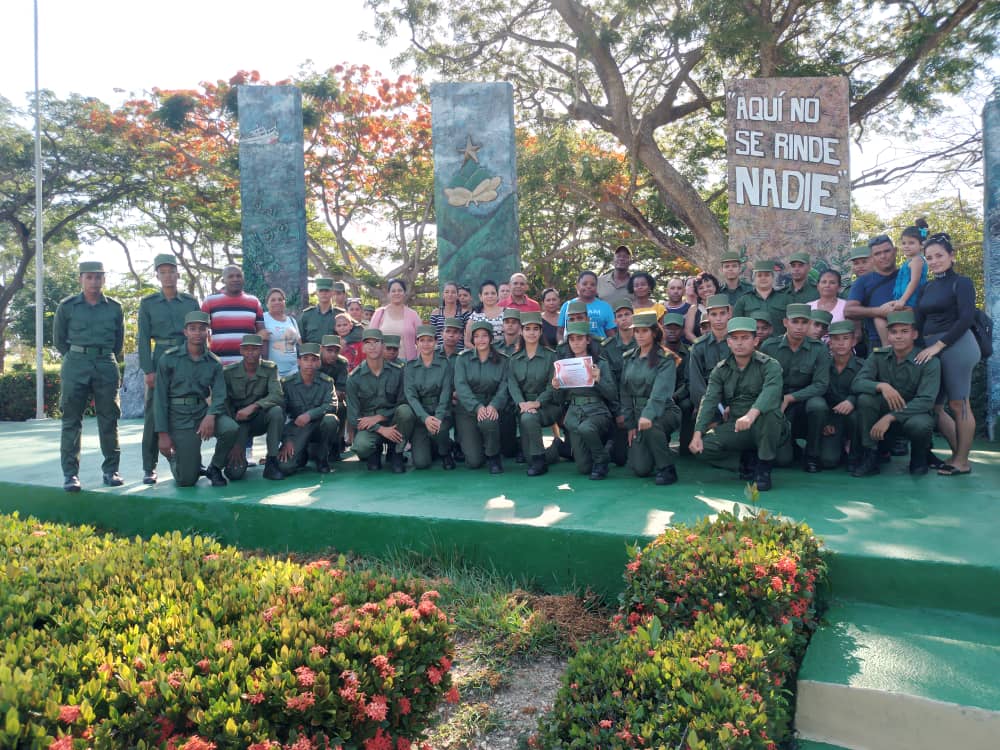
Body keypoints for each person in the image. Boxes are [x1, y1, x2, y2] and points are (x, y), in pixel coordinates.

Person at [689, 317, 786, 491]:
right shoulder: (721, 369)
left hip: (766, 424)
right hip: (737, 425)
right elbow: (709, 400)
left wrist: (751, 415)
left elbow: (770, 393)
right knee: (702, 448)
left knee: (771, 417)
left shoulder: (770, 365)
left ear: (755, 341)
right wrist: (697, 433)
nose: (739, 343)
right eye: (735, 338)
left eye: (745, 338)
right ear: (728, 342)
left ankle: (763, 468)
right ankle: (743, 460)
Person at [53, 260, 125, 491]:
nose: (94, 281)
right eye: (89, 277)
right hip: (75, 364)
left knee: (109, 419)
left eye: (98, 277)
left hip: (105, 363)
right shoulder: (67, 306)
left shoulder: (114, 307)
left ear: (104, 279)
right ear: (81, 279)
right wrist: (78, 356)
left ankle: (111, 471)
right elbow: (59, 340)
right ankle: (70, 475)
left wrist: (103, 357)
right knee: (71, 420)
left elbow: (118, 342)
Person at [914, 232, 978, 476]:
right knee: (935, 406)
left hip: (957, 345)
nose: (934, 261)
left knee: (958, 402)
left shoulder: (961, 282)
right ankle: (959, 454)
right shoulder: (928, 286)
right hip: (930, 349)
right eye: (929, 257)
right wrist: (920, 346)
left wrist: (939, 345)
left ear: (951, 256)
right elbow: (919, 321)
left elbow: (965, 318)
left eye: (939, 255)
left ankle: (962, 461)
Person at [154, 311, 239, 487]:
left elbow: (219, 394)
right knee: (187, 480)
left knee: (230, 428)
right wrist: (162, 434)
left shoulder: (213, 362)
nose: (197, 333)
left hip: (203, 412)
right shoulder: (169, 359)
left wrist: (211, 415)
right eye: (193, 329)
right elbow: (160, 398)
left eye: (202, 329)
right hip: (179, 417)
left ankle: (214, 467)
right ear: (185, 332)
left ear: (208, 332)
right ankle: (175, 458)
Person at [851, 311, 940, 477]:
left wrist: (890, 417)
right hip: (884, 412)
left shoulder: (929, 362)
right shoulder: (878, 356)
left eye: (904, 331)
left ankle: (920, 457)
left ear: (914, 334)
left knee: (920, 425)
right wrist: (882, 386)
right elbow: (857, 383)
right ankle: (871, 454)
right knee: (865, 399)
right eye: (893, 332)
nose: (898, 336)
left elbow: (926, 400)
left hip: (913, 414)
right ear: (888, 336)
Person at [137, 254, 200, 485]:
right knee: (154, 414)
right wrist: (148, 370)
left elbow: (200, 332)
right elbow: (143, 339)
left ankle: (194, 459)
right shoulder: (149, 303)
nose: (167, 276)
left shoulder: (190, 302)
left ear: (178, 274)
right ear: (157, 275)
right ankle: (149, 466)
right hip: (161, 358)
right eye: (162, 272)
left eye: (171, 271)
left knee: (191, 408)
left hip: (187, 357)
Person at [761, 304, 831, 473]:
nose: (799, 327)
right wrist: (779, 399)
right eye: (795, 322)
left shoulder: (819, 348)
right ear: (786, 322)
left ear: (809, 324)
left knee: (818, 406)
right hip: (778, 398)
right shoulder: (769, 347)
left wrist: (791, 398)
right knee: (783, 461)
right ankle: (791, 446)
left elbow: (821, 384)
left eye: (804, 322)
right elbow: (762, 381)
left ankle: (812, 455)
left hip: (805, 399)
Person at [620, 312, 682, 485]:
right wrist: (631, 423)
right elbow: (624, 392)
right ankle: (657, 445)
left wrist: (647, 415)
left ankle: (667, 468)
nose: (639, 335)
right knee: (641, 469)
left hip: (664, 411)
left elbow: (660, 393)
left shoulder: (666, 358)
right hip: (639, 415)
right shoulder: (629, 358)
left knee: (652, 425)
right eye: (637, 331)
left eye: (644, 331)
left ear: (654, 332)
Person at [552, 321, 618, 479]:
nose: (576, 343)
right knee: (583, 468)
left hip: (596, 411)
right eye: (572, 339)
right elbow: (559, 399)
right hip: (574, 415)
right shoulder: (564, 365)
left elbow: (612, 394)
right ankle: (606, 450)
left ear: (588, 340)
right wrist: (556, 386)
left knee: (586, 428)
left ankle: (602, 461)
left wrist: (598, 379)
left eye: (579, 338)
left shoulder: (599, 363)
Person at [346, 329, 415, 472]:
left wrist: (381, 417)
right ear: (363, 348)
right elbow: (353, 418)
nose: (372, 346)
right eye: (368, 343)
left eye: (376, 342)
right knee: (361, 447)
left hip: (393, 422)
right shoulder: (354, 378)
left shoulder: (398, 371)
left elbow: (405, 402)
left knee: (406, 411)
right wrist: (380, 429)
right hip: (370, 426)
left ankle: (396, 451)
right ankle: (374, 450)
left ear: (383, 346)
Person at [223, 334, 285, 481]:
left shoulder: (270, 369)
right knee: (234, 474)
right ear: (240, 351)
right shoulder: (228, 372)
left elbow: (277, 395)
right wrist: (236, 441)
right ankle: (237, 454)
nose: (250, 352)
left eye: (255, 349)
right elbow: (224, 403)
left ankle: (271, 461)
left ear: (261, 350)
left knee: (276, 411)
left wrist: (254, 406)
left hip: (259, 419)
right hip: (238, 423)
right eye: (246, 349)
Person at [453, 320, 511, 473]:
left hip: (492, 405)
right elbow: (461, 386)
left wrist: (494, 405)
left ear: (491, 338)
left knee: (488, 419)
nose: (481, 340)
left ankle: (493, 455)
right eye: (477, 336)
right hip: (467, 409)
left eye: (484, 336)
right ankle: (479, 446)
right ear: (472, 340)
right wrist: (477, 407)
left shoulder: (503, 360)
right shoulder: (462, 359)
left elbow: (505, 386)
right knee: (474, 461)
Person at [507, 311, 560, 476]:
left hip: (547, 406)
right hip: (523, 407)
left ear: (541, 331)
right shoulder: (514, 358)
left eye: (535, 329)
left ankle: (540, 461)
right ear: (521, 331)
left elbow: (553, 386)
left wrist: (537, 403)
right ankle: (555, 449)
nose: (531, 332)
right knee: (527, 455)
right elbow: (512, 384)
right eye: (527, 328)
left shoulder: (551, 356)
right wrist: (521, 403)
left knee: (529, 417)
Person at [277, 343, 339, 475]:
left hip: (318, 427)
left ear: (318, 362)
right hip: (297, 428)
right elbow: (280, 415)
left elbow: (332, 405)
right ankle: (302, 453)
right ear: (298, 361)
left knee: (331, 420)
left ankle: (322, 458)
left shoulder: (327, 382)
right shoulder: (286, 384)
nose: (309, 363)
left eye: (314, 359)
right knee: (285, 467)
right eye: (305, 359)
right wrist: (286, 439)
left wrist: (310, 415)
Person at [405, 325, 456, 470]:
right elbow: (411, 396)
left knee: (440, 430)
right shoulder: (410, 367)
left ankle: (445, 451)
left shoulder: (444, 364)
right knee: (421, 463)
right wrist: (425, 418)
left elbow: (446, 393)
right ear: (417, 343)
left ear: (435, 342)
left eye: (430, 340)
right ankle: (434, 446)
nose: (426, 344)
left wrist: (438, 418)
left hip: (441, 413)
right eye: (422, 340)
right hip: (421, 416)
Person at [686, 294, 732, 437]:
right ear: (708, 316)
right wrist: (716, 409)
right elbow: (697, 386)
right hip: (710, 404)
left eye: (722, 313)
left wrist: (735, 407)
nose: (718, 318)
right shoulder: (699, 347)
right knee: (707, 447)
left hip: (736, 402)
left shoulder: (738, 341)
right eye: (714, 314)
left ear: (729, 314)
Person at [844, 234, 899, 352]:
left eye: (887, 251)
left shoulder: (908, 275)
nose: (883, 256)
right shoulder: (862, 282)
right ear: (872, 257)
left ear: (895, 251)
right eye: (877, 253)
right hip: (878, 341)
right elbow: (849, 310)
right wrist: (878, 312)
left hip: (911, 339)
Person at [821, 320, 864, 471]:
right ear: (829, 342)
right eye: (836, 339)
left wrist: (852, 401)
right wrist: (825, 421)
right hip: (832, 418)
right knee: (828, 461)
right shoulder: (822, 365)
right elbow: (818, 393)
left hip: (855, 418)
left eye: (845, 338)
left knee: (856, 415)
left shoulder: (863, 366)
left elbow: (869, 391)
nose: (841, 343)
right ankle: (838, 445)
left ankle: (855, 454)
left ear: (853, 341)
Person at [877, 225, 929, 345]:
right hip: (902, 299)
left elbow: (914, 282)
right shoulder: (908, 261)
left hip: (910, 301)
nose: (906, 246)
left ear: (921, 245)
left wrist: (902, 301)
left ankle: (887, 346)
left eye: (911, 243)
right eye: (904, 243)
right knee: (879, 313)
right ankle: (889, 346)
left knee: (880, 317)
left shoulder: (917, 260)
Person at [201, 265, 264, 364]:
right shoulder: (210, 301)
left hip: (248, 366)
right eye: (231, 276)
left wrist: (263, 361)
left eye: (239, 276)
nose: (235, 279)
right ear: (223, 280)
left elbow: (262, 333)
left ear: (243, 279)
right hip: (218, 364)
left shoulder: (254, 302)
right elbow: (201, 332)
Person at [601, 300, 638, 467]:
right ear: (615, 321)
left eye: (627, 314)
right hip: (618, 407)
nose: (624, 319)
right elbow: (609, 384)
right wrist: (618, 412)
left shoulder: (644, 342)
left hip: (640, 405)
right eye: (620, 316)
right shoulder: (607, 347)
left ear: (633, 316)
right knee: (620, 458)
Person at [734, 260, 790, 339]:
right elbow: (736, 326)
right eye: (759, 275)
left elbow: (792, 324)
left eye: (767, 275)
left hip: (777, 346)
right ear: (754, 278)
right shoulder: (743, 300)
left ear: (773, 277)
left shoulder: (785, 300)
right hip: (751, 347)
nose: (763, 278)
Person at [370, 278, 422, 361]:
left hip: (407, 364)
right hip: (382, 364)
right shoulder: (379, 313)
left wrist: (418, 363)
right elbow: (371, 339)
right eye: (393, 291)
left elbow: (421, 341)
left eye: (400, 290)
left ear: (404, 293)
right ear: (388, 294)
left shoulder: (413, 315)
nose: (396, 293)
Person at [557, 271, 617, 340]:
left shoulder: (605, 307)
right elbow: (560, 332)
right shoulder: (567, 306)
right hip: (574, 348)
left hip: (600, 349)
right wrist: (561, 347)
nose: (588, 286)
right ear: (577, 286)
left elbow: (611, 333)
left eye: (592, 284)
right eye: (584, 284)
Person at [320, 334, 350, 459]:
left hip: (332, 401)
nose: (333, 354)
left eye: (336, 351)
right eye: (329, 350)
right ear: (321, 349)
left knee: (342, 407)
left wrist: (334, 394)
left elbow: (341, 390)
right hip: (312, 403)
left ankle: (337, 442)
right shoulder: (313, 361)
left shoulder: (342, 363)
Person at [261, 288, 301, 377]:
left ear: (284, 302)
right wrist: (258, 336)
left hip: (293, 371)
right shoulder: (262, 319)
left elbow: (300, 343)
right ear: (267, 304)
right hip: (272, 373)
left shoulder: (292, 320)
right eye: (273, 300)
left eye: (280, 299)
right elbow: (252, 340)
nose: (277, 302)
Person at [682, 273, 721, 343]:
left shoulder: (726, 306)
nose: (705, 290)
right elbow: (688, 333)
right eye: (701, 288)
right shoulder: (693, 309)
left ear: (715, 287)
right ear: (697, 292)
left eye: (709, 286)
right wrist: (700, 344)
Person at [429, 281, 468, 351]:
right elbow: (432, 336)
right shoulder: (435, 313)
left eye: (453, 292)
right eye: (447, 292)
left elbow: (467, 337)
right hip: (439, 354)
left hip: (459, 353)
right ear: (443, 295)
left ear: (457, 295)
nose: (450, 294)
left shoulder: (464, 313)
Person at [466, 279, 505, 347]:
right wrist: (480, 353)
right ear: (480, 297)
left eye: (493, 293)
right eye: (486, 293)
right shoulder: (475, 316)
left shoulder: (506, 313)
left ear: (497, 295)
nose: (490, 296)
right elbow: (467, 341)